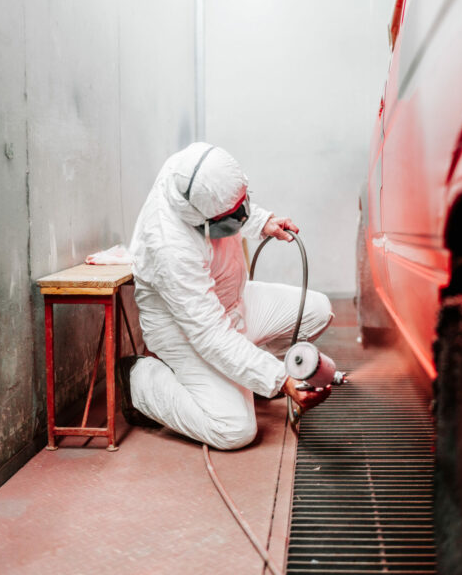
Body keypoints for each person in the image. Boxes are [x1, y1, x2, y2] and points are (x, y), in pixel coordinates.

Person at [124, 143, 333, 450]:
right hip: (185, 332)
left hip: (233, 302)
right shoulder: (170, 247)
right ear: (198, 217)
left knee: (318, 310)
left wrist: (261, 221)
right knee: (234, 429)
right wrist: (279, 379)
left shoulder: (195, 170)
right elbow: (210, 334)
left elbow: (229, 202)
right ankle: (138, 380)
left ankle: (245, 372)